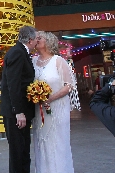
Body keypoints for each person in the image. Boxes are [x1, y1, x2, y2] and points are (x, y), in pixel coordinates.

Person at [31, 31, 75, 173]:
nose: (37, 40)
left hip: (57, 108)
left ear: (48, 41)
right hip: (40, 110)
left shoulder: (58, 61)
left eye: (40, 38)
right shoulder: (33, 61)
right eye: (35, 38)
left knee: (57, 142)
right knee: (41, 141)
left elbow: (68, 85)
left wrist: (50, 98)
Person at [0, 25, 38, 173]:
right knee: (18, 152)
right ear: (30, 40)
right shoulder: (17, 53)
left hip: (19, 112)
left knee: (23, 151)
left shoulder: (21, 52)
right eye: (36, 39)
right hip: (15, 113)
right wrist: (18, 112)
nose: (37, 42)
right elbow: (13, 84)